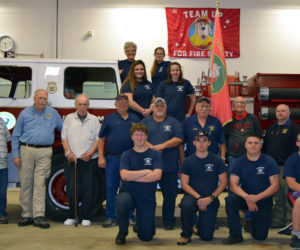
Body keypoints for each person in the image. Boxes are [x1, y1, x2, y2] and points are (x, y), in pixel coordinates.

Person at [11, 89, 63, 229]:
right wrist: (16, 155)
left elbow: (64, 129)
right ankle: (27, 214)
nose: (42, 101)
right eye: (40, 98)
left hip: (45, 151)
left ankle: (39, 216)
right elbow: (15, 135)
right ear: (34, 99)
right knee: (26, 183)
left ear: (47, 100)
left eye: (45, 99)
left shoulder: (52, 113)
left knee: (40, 183)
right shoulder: (24, 113)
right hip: (26, 150)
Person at [223, 134, 279, 244]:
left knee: (260, 237)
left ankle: (253, 223)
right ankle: (235, 235)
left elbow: (275, 186)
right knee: (230, 200)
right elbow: (233, 185)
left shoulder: (269, 161)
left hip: (263, 199)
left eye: (256, 143)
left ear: (260, 146)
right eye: (250, 143)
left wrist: (256, 198)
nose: (253, 145)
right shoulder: (239, 162)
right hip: (245, 197)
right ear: (245, 145)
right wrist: (248, 197)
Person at [115, 123, 163, 245]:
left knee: (146, 237)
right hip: (129, 192)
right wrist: (146, 172)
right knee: (121, 201)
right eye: (136, 135)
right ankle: (122, 232)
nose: (139, 138)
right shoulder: (127, 154)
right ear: (132, 137)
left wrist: (132, 176)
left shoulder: (155, 154)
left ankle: (141, 225)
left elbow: (157, 176)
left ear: (147, 137)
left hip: (146, 196)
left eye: (142, 135)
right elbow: (124, 176)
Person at [177, 131, 227, 245]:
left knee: (206, 237)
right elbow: (184, 184)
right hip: (193, 196)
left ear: (209, 143)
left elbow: (223, 183)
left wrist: (211, 197)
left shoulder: (217, 160)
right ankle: (186, 234)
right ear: (194, 143)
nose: (201, 144)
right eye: (198, 141)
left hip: (211, 198)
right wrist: (198, 197)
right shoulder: (187, 161)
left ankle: (198, 226)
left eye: (204, 141)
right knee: (186, 204)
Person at [98, 94, 140, 228]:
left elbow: (140, 138)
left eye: (125, 102)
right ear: (115, 104)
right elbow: (101, 139)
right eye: (120, 102)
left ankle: (129, 216)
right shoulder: (109, 119)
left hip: (130, 160)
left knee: (129, 189)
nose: (122, 104)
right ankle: (110, 217)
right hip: (112, 158)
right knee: (111, 188)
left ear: (128, 104)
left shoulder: (135, 118)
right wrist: (100, 156)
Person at [141, 97, 183, 230]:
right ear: (152, 108)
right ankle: (145, 221)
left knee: (170, 196)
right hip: (148, 167)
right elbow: (138, 136)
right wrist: (153, 148)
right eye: (157, 105)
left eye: (162, 105)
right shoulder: (145, 122)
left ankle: (169, 221)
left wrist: (163, 145)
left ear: (166, 108)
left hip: (169, 166)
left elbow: (179, 138)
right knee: (146, 196)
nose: (159, 107)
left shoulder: (173, 122)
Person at [224, 96, 262, 232]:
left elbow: (258, 136)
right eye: (236, 103)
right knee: (233, 188)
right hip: (233, 157)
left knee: (249, 187)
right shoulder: (229, 119)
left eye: (241, 102)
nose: (239, 105)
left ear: (245, 105)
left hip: (250, 158)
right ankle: (232, 220)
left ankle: (249, 219)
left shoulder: (253, 118)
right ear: (233, 105)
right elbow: (224, 137)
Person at [61, 94, 100, 227]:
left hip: (89, 160)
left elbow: (98, 139)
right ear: (75, 105)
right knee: (72, 189)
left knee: (88, 189)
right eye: (80, 104)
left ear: (88, 106)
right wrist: (68, 153)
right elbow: (64, 138)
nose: (82, 107)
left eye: (85, 104)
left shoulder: (94, 120)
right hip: (73, 160)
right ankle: (72, 216)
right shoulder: (69, 119)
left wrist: (91, 153)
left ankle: (86, 217)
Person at [262, 104, 299, 228]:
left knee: (289, 195)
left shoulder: (294, 128)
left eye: (283, 111)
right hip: (272, 168)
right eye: (278, 111)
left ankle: (291, 221)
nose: (280, 113)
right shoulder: (271, 128)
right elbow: (266, 148)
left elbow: (296, 150)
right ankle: (279, 220)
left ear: (289, 113)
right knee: (277, 196)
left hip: (287, 168)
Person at [282, 132, 300, 248]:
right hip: (296, 191)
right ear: (298, 143)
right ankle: (297, 235)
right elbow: (291, 183)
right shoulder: (292, 160)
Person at [0, 117, 11, 224]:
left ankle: (2, 214)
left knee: (2, 192)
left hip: (3, 164)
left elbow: (8, 138)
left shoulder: (1, 121)